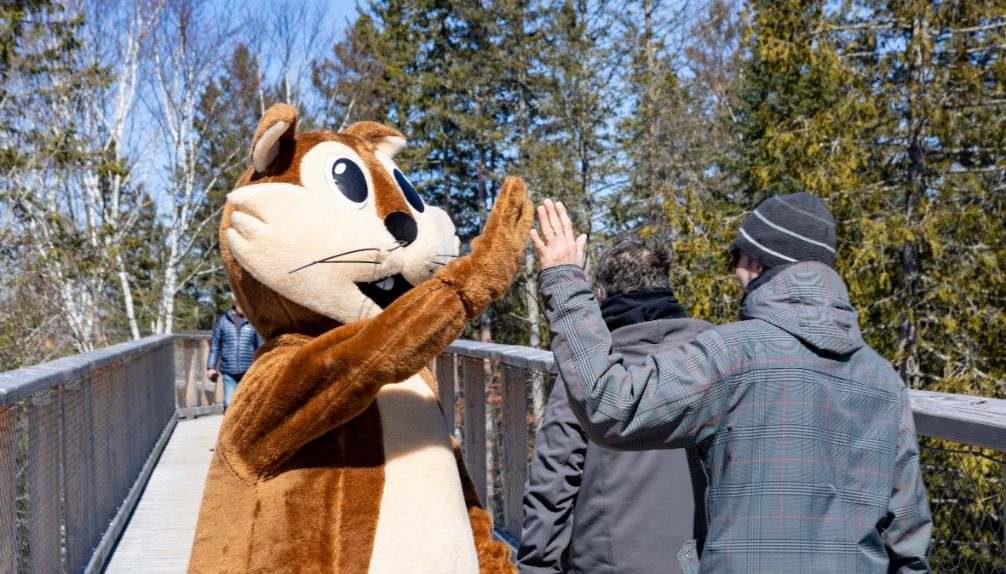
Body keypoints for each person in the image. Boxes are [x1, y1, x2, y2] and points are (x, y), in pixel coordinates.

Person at [529, 195, 932, 573]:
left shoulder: (734, 352)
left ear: (757, 263)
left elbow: (611, 407)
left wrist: (565, 282)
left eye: (737, 257)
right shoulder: (883, 380)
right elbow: (908, 545)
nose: (736, 272)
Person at [518, 238, 713, 574]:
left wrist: (538, 566)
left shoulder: (583, 371)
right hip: (702, 559)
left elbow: (553, 481)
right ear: (667, 288)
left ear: (600, 297)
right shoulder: (715, 356)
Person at [206, 300, 263, 411]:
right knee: (229, 403)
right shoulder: (222, 322)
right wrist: (211, 367)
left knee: (247, 405)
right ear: (234, 304)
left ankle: (243, 427)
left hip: (249, 371)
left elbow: (260, 346)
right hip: (228, 371)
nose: (242, 306)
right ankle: (229, 427)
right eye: (239, 303)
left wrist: (262, 366)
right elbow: (215, 346)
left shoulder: (253, 322)